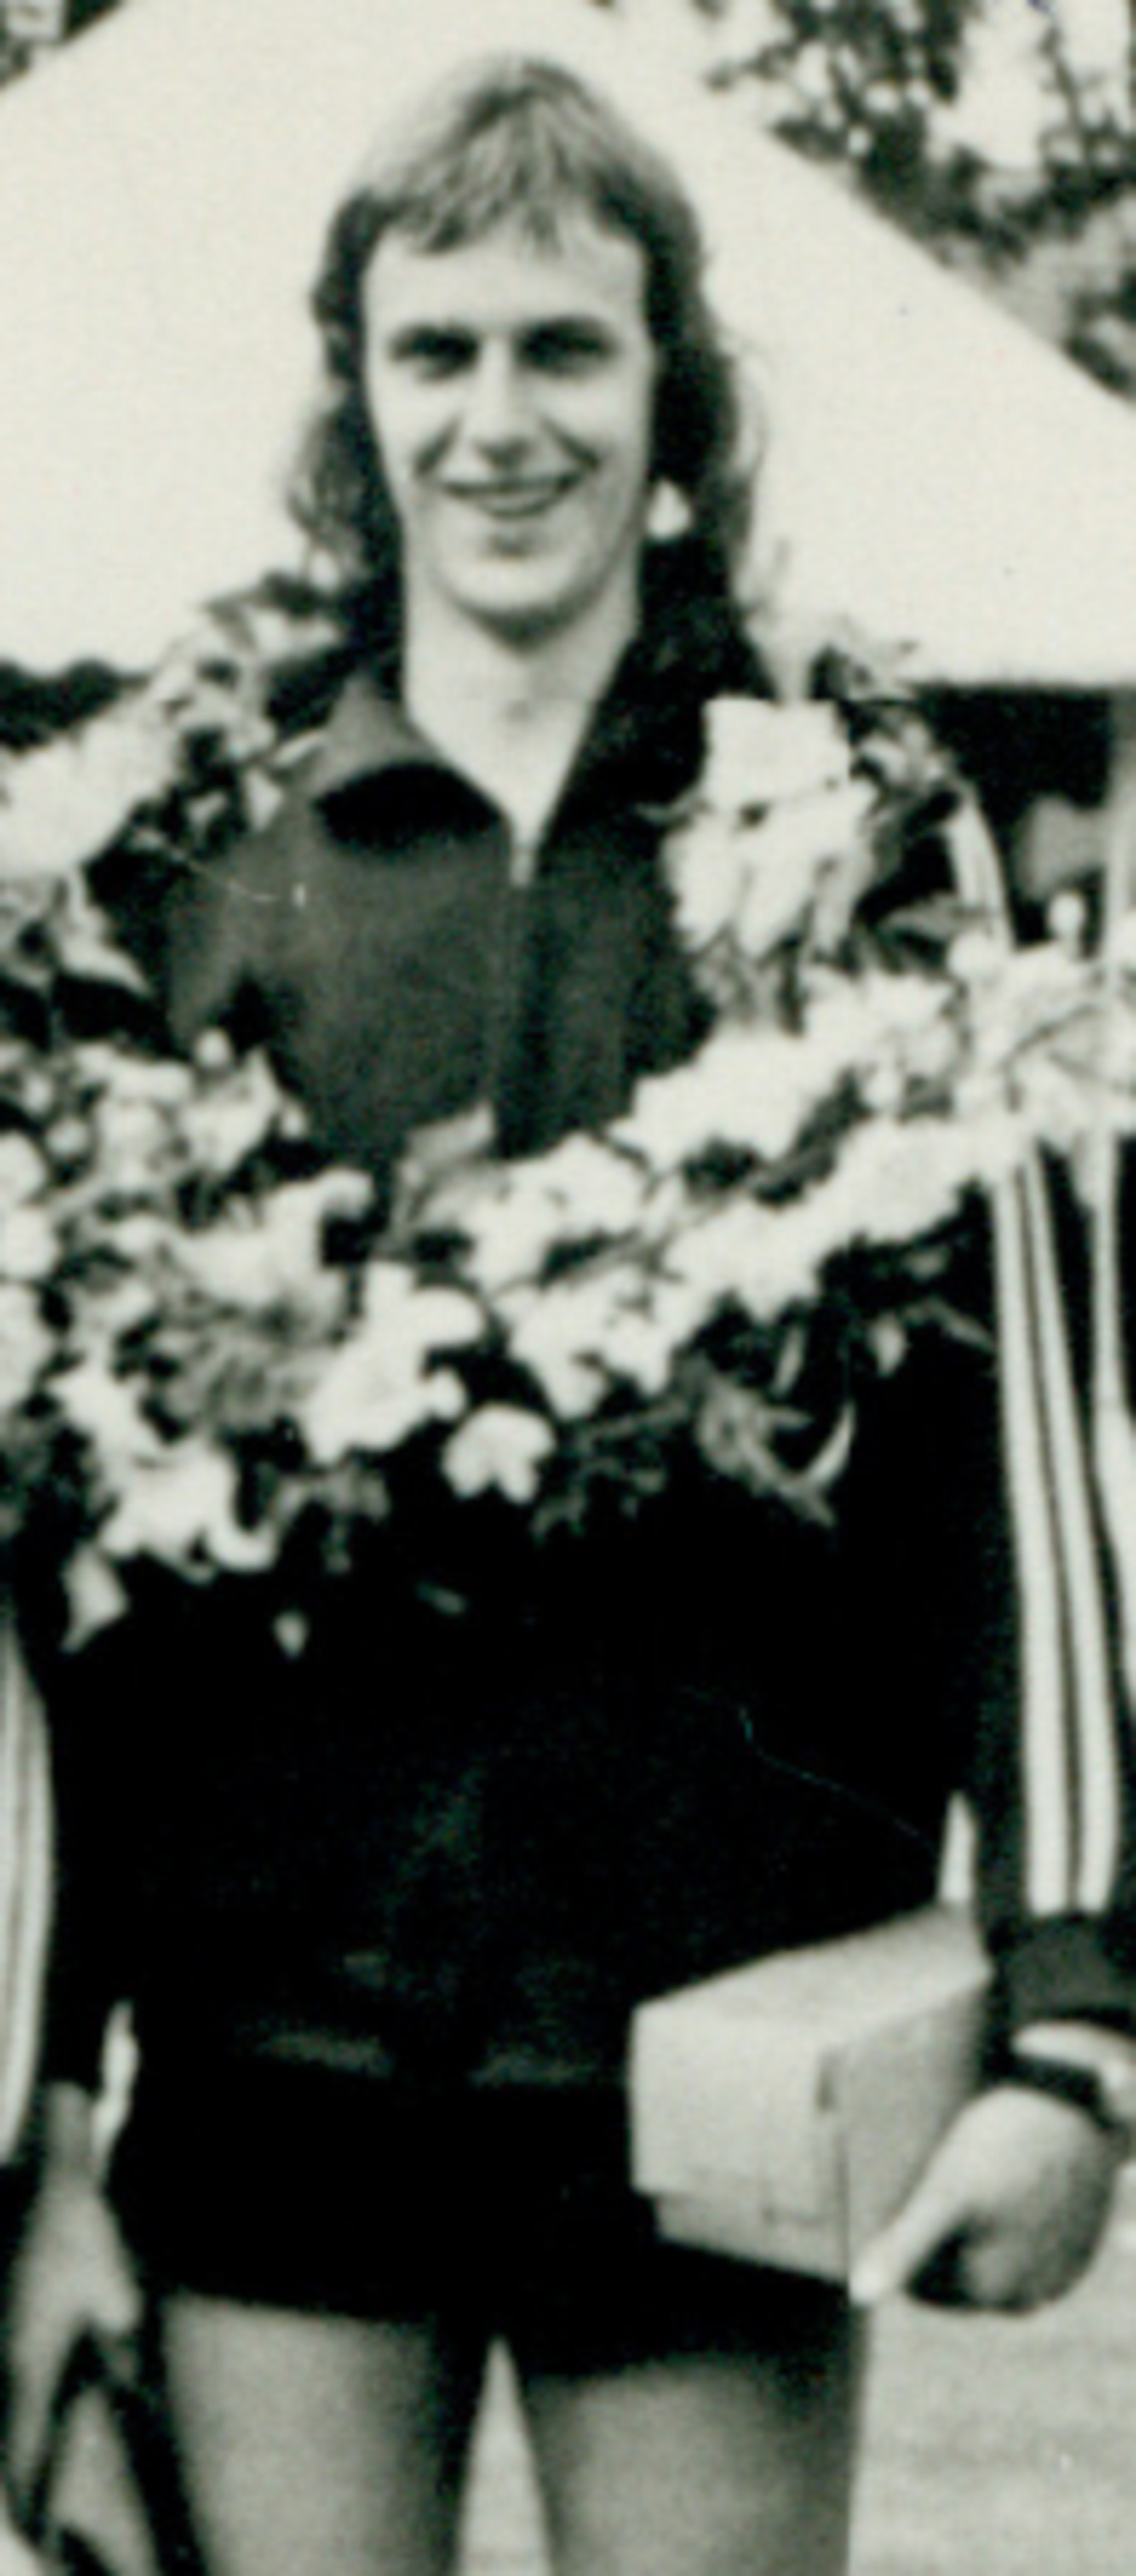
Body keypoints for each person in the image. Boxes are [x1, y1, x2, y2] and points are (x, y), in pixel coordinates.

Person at [4, 54, 1136, 2576]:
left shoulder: (866, 853)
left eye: (563, 349)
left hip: (719, 2071)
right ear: (355, 392)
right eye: (436, 352)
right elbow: (61, 1583)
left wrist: (1073, 2023)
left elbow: (1033, 1474)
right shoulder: (186, 876)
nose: (498, 422)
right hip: (276, 2076)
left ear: (669, 390)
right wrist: (39, 2135)